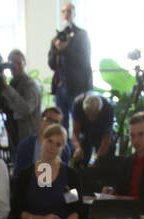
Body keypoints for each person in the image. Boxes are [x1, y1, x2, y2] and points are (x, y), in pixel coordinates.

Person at [11, 123, 83, 219]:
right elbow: (17, 210)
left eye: (58, 144)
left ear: (62, 148)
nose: (52, 147)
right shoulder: (25, 175)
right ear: (42, 140)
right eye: (50, 141)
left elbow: (76, 211)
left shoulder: (70, 176)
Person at [48, 3, 92, 132]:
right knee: (61, 125)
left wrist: (66, 49)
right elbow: (51, 64)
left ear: (74, 14)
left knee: (80, 124)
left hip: (77, 88)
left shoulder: (81, 35)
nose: (66, 14)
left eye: (69, 11)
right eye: (63, 11)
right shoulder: (57, 37)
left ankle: (78, 151)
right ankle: (64, 151)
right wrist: (56, 49)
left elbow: (84, 60)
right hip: (60, 87)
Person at [2, 49, 43, 150]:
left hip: (30, 136)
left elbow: (25, 109)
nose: (15, 66)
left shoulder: (30, 84)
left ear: (24, 64)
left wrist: (6, 87)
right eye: (12, 63)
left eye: (18, 63)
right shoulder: (13, 83)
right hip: (16, 136)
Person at [70, 93, 115, 165]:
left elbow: (106, 139)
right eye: (88, 114)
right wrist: (78, 148)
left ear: (99, 110)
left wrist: (97, 161)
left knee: (107, 153)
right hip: (85, 131)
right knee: (77, 153)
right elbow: (75, 132)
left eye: (93, 114)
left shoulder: (108, 109)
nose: (90, 118)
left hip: (101, 131)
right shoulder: (77, 104)